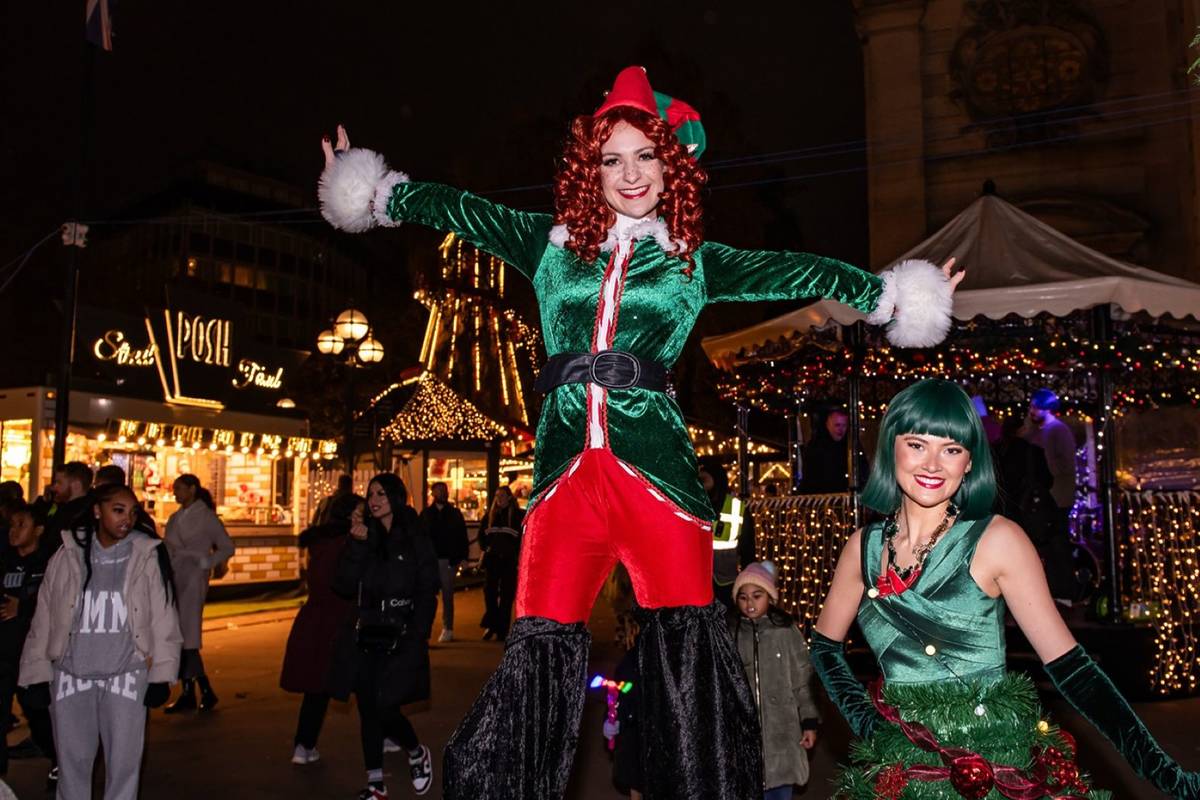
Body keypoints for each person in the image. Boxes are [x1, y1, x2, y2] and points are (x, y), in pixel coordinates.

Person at [318, 64, 962, 799]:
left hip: (660, 487)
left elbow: (795, 270)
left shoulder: (694, 261)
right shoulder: (547, 243)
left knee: (687, 668)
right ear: (589, 170)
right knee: (535, 658)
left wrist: (891, 296)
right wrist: (371, 190)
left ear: (671, 166)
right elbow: (453, 207)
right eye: (611, 158)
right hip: (565, 487)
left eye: (644, 157)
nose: (629, 174)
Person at [810, 379, 1199, 799]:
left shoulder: (999, 540)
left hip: (993, 771)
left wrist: (1165, 773)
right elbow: (823, 646)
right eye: (918, 444)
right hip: (898, 770)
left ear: (970, 462)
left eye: (952, 449)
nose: (934, 464)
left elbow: (1075, 671)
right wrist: (869, 723)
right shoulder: (862, 547)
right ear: (891, 449)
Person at [18, 483, 181, 800]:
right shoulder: (67, 554)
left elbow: (164, 619)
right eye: (117, 510)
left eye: (132, 512)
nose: (127, 519)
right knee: (72, 766)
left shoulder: (145, 556)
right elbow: (45, 619)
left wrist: (161, 675)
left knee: (124, 767)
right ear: (97, 510)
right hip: (70, 677)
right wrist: (36, 675)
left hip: (125, 676)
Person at [329, 473, 437, 800]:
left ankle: (416, 752)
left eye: (380, 493)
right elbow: (343, 585)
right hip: (366, 635)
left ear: (395, 497)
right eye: (370, 494)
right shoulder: (364, 537)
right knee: (368, 708)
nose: (373, 499)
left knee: (387, 706)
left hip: (401, 635)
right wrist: (358, 547)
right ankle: (376, 784)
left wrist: (418, 634)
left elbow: (427, 590)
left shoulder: (415, 537)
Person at [280, 491, 362, 765]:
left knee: (317, 687)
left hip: (316, 617)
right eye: (361, 514)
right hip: (342, 618)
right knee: (365, 682)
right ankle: (388, 739)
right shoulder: (349, 543)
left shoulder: (319, 542)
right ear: (350, 516)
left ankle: (303, 745)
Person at [730, 562, 819, 800]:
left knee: (780, 789)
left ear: (769, 596)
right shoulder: (733, 635)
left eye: (757, 596)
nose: (750, 603)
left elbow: (803, 678)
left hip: (783, 730)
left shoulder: (786, 631)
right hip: (746, 731)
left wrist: (808, 721)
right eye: (743, 597)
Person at [163, 474, 234, 713]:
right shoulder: (174, 518)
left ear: (192, 490)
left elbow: (227, 546)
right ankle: (197, 690)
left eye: (179, 489)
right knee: (181, 637)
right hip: (175, 576)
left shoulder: (206, 518)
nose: (175, 493)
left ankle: (195, 691)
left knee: (188, 637)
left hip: (193, 578)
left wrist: (208, 562)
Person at [0, 503, 56, 788]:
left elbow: (59, 604)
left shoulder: (49, 564)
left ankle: (58, 759)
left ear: (38, 530)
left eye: (21, 525)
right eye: (12, 525)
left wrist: (24, 606)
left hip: (34, 654)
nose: (14, 531)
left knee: (38, 713)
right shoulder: (5, 559)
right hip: (5, 654)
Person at [1021, 388, 1079, 601]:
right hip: (1044, 498)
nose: (1031, 410)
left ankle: (1064, 589)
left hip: (1057, 497)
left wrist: (1046, 467)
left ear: (1045, 407)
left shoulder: (1058, 430)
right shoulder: (1040, 431)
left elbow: (1065, 464)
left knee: (1057, 543)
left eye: (1034, 406)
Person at [699, 459, 756, 610]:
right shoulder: (691, 505)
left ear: (716, 479)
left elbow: (748, 551)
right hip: (696, 585)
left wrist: (747, 584)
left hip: (726, 585)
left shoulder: (737, 508)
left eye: (703, 479)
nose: (699, 484)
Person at [417, 481, 468, 644]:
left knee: (447, 595)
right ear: (433, 493)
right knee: (427, 596)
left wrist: (463, 557)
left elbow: (462, 536)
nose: (442, 493)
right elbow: (420, 537)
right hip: (430, 560)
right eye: (439, 491)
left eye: (444, 490)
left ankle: (448, 628)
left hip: (447, 559)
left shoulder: (454, 513)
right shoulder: (426, 514)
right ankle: (425, 630)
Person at [479, 486, 524, 642]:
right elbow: (481, 536)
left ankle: (501, 630)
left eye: (502, 495)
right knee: (489, 593)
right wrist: (486, 547)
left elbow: (523, 538)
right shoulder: (490, 516)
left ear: (509, 497)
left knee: (506, 595)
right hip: (492, 560)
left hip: (509, 561)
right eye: (497, 495)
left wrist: (517, 554)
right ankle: (492, 624)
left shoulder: (518, 516)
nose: (499, 498)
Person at [800, 407, 869, 494]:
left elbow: (863, 471)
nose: (841, 429)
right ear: (828, 425)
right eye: (837, 425)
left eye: (844, 425)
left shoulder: (852, 446)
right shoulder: (815, 447)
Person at [41, 462, 93, 549]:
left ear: (76, 485)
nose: (54, 487)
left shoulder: (78, 515)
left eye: (59, 483)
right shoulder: (61, 507)